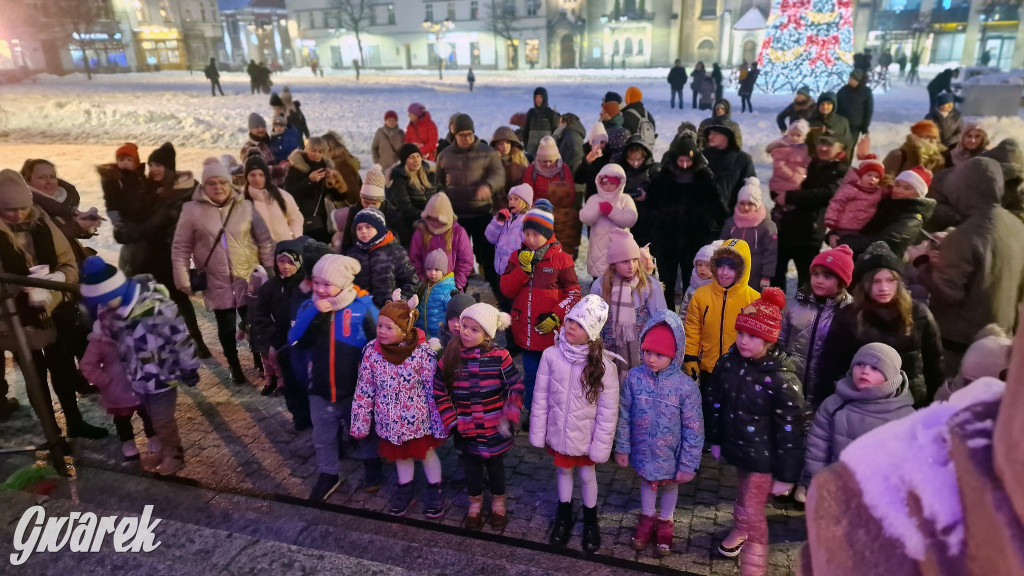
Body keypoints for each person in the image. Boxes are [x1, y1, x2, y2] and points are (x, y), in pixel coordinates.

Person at [705, 288, 806, 574]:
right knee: (743, 494)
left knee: (753, 508)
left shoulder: (782, 378)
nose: (743, 341)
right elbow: (715, 403)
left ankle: (754, 563)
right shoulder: (729, 363)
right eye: (740, 333)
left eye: (752, 336)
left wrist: (787, 475)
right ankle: (741, 529)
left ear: (769, 339)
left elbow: (791, 432)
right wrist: (716, 439)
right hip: (740, 449)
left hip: (765, 459)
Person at [0, 170, 107, 438]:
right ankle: (52, 434)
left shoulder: (40, 219)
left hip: (54, 306)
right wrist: (17, 289)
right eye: (10, 210)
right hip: (15, 316)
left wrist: (58, 279)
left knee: (62, 367)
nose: (18, 215)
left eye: (22, 208)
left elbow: (66, 260)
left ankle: (74, 421)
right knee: (34, 375)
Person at [79, 256, 200, 474]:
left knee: (162, 420)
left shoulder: (156, 307)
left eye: (105, 300)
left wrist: (189, 366)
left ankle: (174, 455)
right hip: (136, 377)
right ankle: (162, 450)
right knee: (153, 418)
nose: (103, 306)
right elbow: (110, 335)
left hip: (162, 375)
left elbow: (180, 338)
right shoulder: (111, 311)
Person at [912, 156, 1024, 376]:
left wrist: (921, 261)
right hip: (1001, 337)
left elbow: (948, 292)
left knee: (952, 393)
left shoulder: (964, 235)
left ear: (964, 189)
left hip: (959, 343)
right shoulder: (1016, 225)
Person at [529, 295, 619, 552]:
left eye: (579, 324)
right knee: (563, 472)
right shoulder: (550, 355)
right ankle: (564, 516)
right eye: (570, 320)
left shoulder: (604, 367)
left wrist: (600, 446)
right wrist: (538, 431)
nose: (571, 327)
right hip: (560, 432)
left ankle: (591, 521)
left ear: (591, 332)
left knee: (588, 476)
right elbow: (541, 397)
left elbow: (608, 412)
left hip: (586, 437)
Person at [171, 158, 274, 384]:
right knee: (226, 328)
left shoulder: (245, 206)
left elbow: (265, 240)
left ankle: (260, 360)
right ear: (203, 185)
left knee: (254, 322)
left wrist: (269, 270)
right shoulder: (191, 210)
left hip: (246, 277)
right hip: (215, 279)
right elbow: (180, 247)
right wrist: (183, 278)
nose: (218, 187)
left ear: (229, 183)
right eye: (212, 183)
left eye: (222, 182)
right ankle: (234, 365)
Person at [288, 254, 381, 501]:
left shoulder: (362, 308)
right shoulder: (308, 307)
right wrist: (314, 313)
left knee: (364, 430)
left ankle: (372, 464)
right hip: (319, 388)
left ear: (343, 284)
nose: (320, 289)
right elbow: (293, 339)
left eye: (327, 284)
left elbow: (379, 341)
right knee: (323, 436)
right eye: (316, 282)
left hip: (355, 389)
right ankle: (328, 473)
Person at [614, 310, 703, 557]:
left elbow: (694, 429)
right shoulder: (634, 378)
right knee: (647, 483)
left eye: (659, 354)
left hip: (671, 455)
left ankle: (665, 521)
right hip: (644, 450)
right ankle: (646, 518)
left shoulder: (686, 388)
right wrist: (622, 447)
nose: (651, 359)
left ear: (674, 355)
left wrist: (689, 464)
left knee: (670, 487)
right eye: (647, 352)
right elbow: (624, 415)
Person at [352, 291, 447, 516]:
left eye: (389, 327)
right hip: (390, 422)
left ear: (404, 330)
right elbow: (364, 389)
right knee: (401, 456)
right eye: (380, 326)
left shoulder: (421, 354)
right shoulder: (372, 353)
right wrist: (360, 422)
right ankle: (405, 488)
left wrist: (439, 422)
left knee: (427, 453)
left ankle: (435, 488)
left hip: (419, 422)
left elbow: (433, 390)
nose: (381, 331)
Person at [819, 242, 944, 407]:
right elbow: (831, 367)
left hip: (912, 403)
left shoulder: (919, 314)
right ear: (864, 283)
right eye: (876, 281)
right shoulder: (848, 317)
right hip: (862, 404)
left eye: (890, 280)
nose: (884, 288)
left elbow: (935, 364)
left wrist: (936, 405)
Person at [433, 302, 524, 530]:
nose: (466, 332)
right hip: (466, 427)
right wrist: (451, 419)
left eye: (474, 329)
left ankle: (498, 503)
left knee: (496, 467)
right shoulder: (451, 355)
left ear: (487, 334)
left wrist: (510, 414)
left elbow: (514, 387)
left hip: (494, 427)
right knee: (471, 468)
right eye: (464, 326)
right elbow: (439, 389)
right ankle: (475, 503)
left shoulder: (500, 356)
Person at [801, 343, 915, 497]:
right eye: (860, 364)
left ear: (891, 376)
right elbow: (818, 445)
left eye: (875, 368)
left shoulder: (905, 417)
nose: (865, 371)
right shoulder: (835, 404)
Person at [500, 202, 582, 415]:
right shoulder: (516, 257)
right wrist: (522, 270)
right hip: (526, 333)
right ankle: (532, 412)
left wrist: (556, 316)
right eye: (526, 233)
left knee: (554, 377)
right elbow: (506, 289)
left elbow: (573, 294)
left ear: (547, 234)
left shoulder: (561, 259)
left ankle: (553, 412)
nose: (530, 239)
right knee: (530, 375)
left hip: (551, 335)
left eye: (535, 234)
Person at [646, 132, 728, 306]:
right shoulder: (664, 178)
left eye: (688, 161)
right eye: (681, 160)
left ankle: (689, 314)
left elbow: (718, 210)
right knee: (666, 282)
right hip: (667, 241)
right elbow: (651, 208)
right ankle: (667, 313)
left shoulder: (705, 179)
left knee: (693, 281)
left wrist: (709, 234)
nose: (684, 165)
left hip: (694, 241)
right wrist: (656, 233)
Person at [435, 113, 505, 296]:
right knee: (458, 258)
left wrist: (489, 186)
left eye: (469, 134)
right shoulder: (445, 155)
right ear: (455, 134)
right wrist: (443, 197)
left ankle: (499, 295)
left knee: (488, 256)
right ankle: (457, 297)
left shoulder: (486, 152)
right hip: (456, 217)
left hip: (482, 214)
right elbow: (438, 182)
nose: (467, 138)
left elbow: (499, 174)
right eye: (462, 135)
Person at [778, 245, 855, 410]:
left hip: (828, 391)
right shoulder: (795, 305)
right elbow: (779, 340)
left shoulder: (850, 312)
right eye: (815, 274)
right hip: (791, 382)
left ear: (842, 281)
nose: (819, 280)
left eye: (827, 276)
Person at [683, 239, 760, 395]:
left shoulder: (753, 299)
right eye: (720, 266)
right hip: (707, 367)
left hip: (739, 369)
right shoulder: (701, 295)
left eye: (731, 267)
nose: (724, 273)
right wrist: (690, 358)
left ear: (742, 270)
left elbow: (758, 338)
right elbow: (692, 329)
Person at [773, 136, 849, 289]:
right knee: (776, 272)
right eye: (821, 143)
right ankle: (775, 301)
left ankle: (804, 302)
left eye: (829, 144)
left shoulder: (842, 171)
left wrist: (789, 197)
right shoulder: (808, 162)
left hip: (810, 231)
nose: (823, 148)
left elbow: (827, 194)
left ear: (840, 148)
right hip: (784, 225)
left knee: (806, 277)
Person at [589, 228, 667, 377]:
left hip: (643, 351)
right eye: (625, 261)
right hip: (610, 351)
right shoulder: (600, 286)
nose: (631, 266)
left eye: (634, 260)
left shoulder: (648, 285)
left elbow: (660, 318)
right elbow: (593, 321)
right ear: (613, 263)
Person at [250, 240, 307, 407]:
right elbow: (260, 313)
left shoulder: (305, 286)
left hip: (300, 337)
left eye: (291, 262)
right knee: (275, 358)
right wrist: (271, 334)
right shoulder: (270, 287)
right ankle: (279, 382)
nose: (286, 266)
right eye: (281, 261)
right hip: (278, 335)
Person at [832, 166, 936, 258]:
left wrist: (843, 242)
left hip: (875, 264)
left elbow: (885, 242)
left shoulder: (912, 219)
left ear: (918, 194)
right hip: (854, 255)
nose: (898, 190)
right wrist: (835, 233)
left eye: (907, 188)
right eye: (897, 185)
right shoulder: (885, 202)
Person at [344, 207, 419, 309]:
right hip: (361, 311)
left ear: (379, 228)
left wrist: (399, 302)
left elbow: (410, 281)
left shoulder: (396, 252)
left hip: (390, 311)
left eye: (368, 227)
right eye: (359, 228)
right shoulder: (352, 255)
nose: (363, 231)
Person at [579, 163, 638, 278]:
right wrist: (597, 210)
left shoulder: (625, 199)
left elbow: (631, 219)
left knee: (619, 280)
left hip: (620, 247)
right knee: (599, 278)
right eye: (605, 183)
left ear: (620, 184)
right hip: (598, 248)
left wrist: (611, 211)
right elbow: (585, 218)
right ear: (599, 183)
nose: (608, 186)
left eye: (612, 183)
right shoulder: (594, 199)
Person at [409, 192, 473, 291]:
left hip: (451, 286)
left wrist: (456, 285)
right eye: (431, 219)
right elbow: (414, 259)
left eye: (437, 219)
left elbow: (466, 261)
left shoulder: (458, 232)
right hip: (426, 286)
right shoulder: (421, 231)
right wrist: (422, 281)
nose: (434, 223)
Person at [285, 137, 345, 242]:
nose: (316, 154)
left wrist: (337, 182)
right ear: (306, 149)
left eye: (320, 152)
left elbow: (339, 197)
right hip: (298, 219)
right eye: (313, 150)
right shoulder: (295, 168)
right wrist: (309, 180)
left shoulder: (325, 169)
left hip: (319, 221)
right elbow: (289, 192)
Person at [720, 178, 776, 291]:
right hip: (732, 270)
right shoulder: (731, 223)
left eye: (750, 204)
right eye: (742, 203)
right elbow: (721, 245)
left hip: (755, 273)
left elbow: (770, 253)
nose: (746, 207)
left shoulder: (766, 226)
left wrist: (766, 275)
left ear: (757, 204)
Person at [485, 183, 533, 305]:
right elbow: (490, 237)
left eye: (516, 199)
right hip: (500, 270)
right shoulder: (507, 218)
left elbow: (530, 246)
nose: (511, 202)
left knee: (513, 302)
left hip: (515, 271)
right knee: (502, 300)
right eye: (510, 199)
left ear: (525, 202)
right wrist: (498, 222)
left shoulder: (527, 222)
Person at [242, 155, 303, 243]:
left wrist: (296, 239)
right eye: (252, 175)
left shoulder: (282, 195)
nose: (257, 179)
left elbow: (295, 218)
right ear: (246, 177)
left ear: (266, 175)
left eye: (261, 175)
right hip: (260, 250)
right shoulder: (242, 201)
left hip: (286, 247)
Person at [386, 144, 437, 245]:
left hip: (434, 217)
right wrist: (424, 215)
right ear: (405, 160)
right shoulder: (399, 179)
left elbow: (441, 194)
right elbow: (405, 206)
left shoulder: (430, 175)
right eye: (412, 157)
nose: (416, 160)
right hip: (413, 221)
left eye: (418, 156)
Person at [824, 157, 886, 236]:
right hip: (845, 226)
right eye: (869, 175)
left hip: (863, 228)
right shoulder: (851, 188)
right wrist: (831, 219)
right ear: (861, 176)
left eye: (877, 177)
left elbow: (890, 192)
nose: (872, 179)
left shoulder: (878, 191)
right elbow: (837, 203)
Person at [702, 124, 756, 213]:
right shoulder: (701, 157)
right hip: (704, 215)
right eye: (709, 133)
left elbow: (750, 189)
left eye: (715, 133)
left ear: (726, 135)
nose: (710, 136)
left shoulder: (743, 159)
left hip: (732, 215)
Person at [619, 136, 660, 248]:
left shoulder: (654, 169)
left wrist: (647, 195)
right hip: (628, 218)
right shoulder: (622, 170)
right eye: (631, 160)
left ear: (645, 156)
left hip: (650, 219)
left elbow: (663, 192)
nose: (635, 163)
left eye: (639, 159)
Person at [415, 249, 457, 340]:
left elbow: (452, 313)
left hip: (439, 335)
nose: (432, 273)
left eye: (437, 269)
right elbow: (417, 308)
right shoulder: (423, 286)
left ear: (443, 271)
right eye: (429, 269)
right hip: (422, 333)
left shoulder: (448, 290)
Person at [766, 120, 812, 199]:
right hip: (781, 186)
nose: (794, 137)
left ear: (804, 138)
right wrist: (794, 177)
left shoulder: (803, 148)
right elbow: (779, 167)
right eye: (792, 134)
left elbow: (804, 162)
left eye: (798, 135)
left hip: (796, 185)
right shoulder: (782, 148)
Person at [680, 241, 723, 321]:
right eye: (699, 265)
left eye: (707, 265)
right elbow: (684, 312)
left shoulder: (719, 288)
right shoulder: (692, 289)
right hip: (693, 326)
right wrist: (682, 326)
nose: (702, 269)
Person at [490, 126, 530, 211]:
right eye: (501, 144)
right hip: (498, 207)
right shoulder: (491, 162)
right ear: (496, 146)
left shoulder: (521, 159)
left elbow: (528, 183)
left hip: (520, 205)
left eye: (507, 142)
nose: (505, 146)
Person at [320, 131, 363, 207]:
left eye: (321, 150)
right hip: (352, 206)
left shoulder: (338, 166)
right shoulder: (346, 160)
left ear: (329, 149)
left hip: (344, 209)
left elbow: (350, 196)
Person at [806, 92, 854, 158]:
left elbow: (848, 142)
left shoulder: (842, 121)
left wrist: (843, 157)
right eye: (822, 104)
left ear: (834, 106)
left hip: (835, 159)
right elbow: (805, 142)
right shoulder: (811, 121)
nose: (825, 107)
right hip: (815, 158)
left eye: (828, 104)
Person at [836, 69, 874, 145]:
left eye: (853, 79)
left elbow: (868, 111)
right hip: (841, 124)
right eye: (850, 78)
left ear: (858, 81)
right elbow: (836, 104)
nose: (850, 80)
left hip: (855, 126)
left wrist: (865, 127)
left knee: (850, 145)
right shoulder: (843, 90)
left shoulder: (866, 92)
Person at [522, 87, 560, 158]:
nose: (538, 100)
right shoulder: (531, 112)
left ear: (545, 98)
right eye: (536, 97)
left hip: (546, 146)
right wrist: (526, 145)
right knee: (530, 162)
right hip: (531, 147)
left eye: (540, 97)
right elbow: (526, 130)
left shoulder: (551, 114)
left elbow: (555, 132)